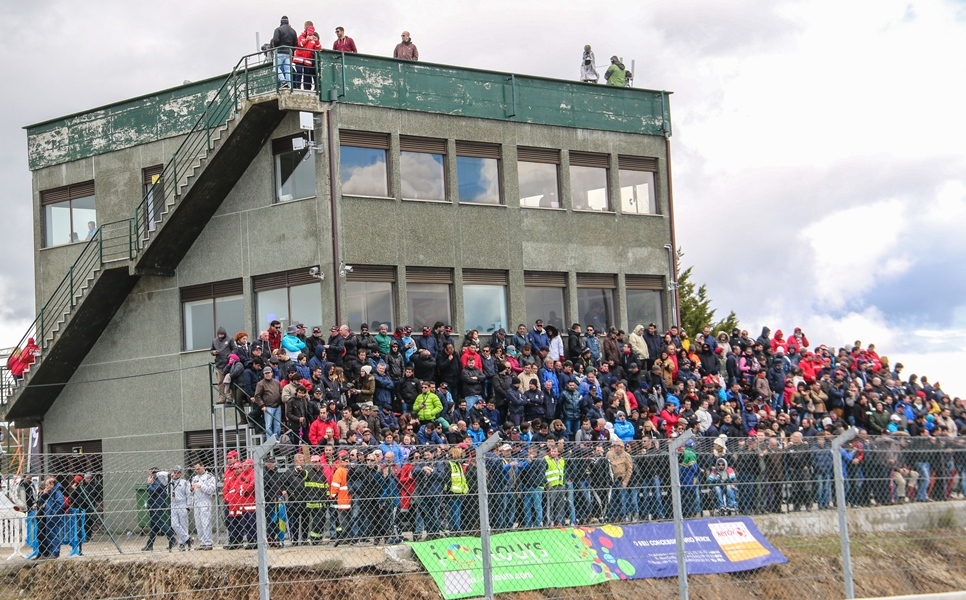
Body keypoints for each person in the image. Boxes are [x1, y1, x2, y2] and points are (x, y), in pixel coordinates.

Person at [142, 468, 176, 552]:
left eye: (150, 474)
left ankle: (172, 539)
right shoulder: (156, 481)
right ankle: (149, 545)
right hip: (153, 506)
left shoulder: (160, 481)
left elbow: (152, 491)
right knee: (153, 526)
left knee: (160, 523)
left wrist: (149, 484)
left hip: (157, 506)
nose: (149, 476)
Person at [35, 476, 64, 560]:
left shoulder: (57, 491)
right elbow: (41, 501)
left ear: (52, 484)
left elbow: (60, 503)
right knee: (49, 535)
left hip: (53, 517)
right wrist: (44, 494)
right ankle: (50, 552)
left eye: (47, 484)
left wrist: (53, 514)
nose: (46, 486)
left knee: (53, 535)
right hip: (48, 516)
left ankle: (55, 552)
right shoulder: (50, 492)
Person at [191, 463, 216, 550]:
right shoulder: (195, 478)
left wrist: (201, 486)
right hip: (196, 502)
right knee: (198, 524)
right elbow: (192, 491)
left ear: (203, 467)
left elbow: (211, 490)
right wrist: (191, 489)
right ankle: (203, 542)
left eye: (198, 469)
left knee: (206, 522)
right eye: (195, 469)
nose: (197, 471)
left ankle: (208, 542)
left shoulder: (210, 477)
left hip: (205, 501)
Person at [271, 15, 298, 89]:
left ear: (281, 22)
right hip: (289, 52)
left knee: (276, 68)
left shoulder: (278, 29)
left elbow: (275, 40)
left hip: (279, 51)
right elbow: (296, 43)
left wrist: (277, 46)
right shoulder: (293, 31)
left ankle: (283, 81)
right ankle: (289, 85)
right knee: (288, 70)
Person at [169, 466, 193, 550]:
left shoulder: (185, 482)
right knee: (174, 524)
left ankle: (182, 543)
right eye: (174, 472)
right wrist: (170, 476)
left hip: (182, 504)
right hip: (173, 505)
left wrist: (188, 506)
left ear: (180, 473)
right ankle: (187, 539)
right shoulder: (170, 482)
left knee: (183, 525)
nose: (175, 474)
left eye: (177, 472)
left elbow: (188, 495)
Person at [294, 23, 320, 91]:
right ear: (307, 31)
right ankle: (298, 86)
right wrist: (306, 40)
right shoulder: (301, 37)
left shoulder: (314, 40)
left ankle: (307, 87)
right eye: (309, 33)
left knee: (307, 74)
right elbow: (299, 45)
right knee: (299, 72)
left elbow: (318, 49)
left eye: (311, 33)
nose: (310, 34)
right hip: (299, 59)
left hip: (308, 60)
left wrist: (317, 42)